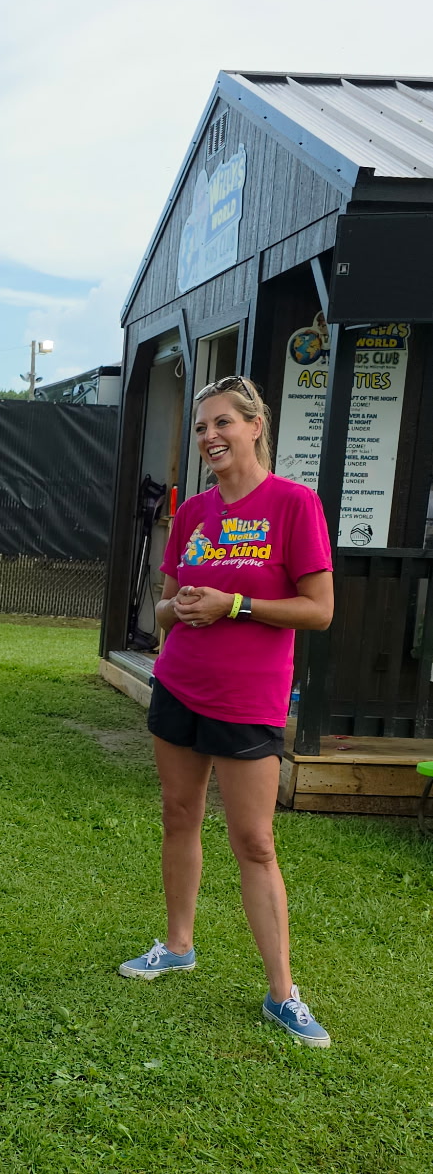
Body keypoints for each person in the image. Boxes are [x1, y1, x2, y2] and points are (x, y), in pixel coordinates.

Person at [118, 374, 335, 1047]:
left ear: (254, 426)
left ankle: (281, 993)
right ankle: (178, 945)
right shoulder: (191, 513)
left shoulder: (293, 504)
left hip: (247, 700)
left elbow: (319, 610)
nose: (209, 436)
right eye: (201, 427)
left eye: (222, 423)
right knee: (177, 816)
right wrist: (178, 606)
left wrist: (234, 605)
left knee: (255, 842)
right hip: (179, 685)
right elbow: (163, 606)